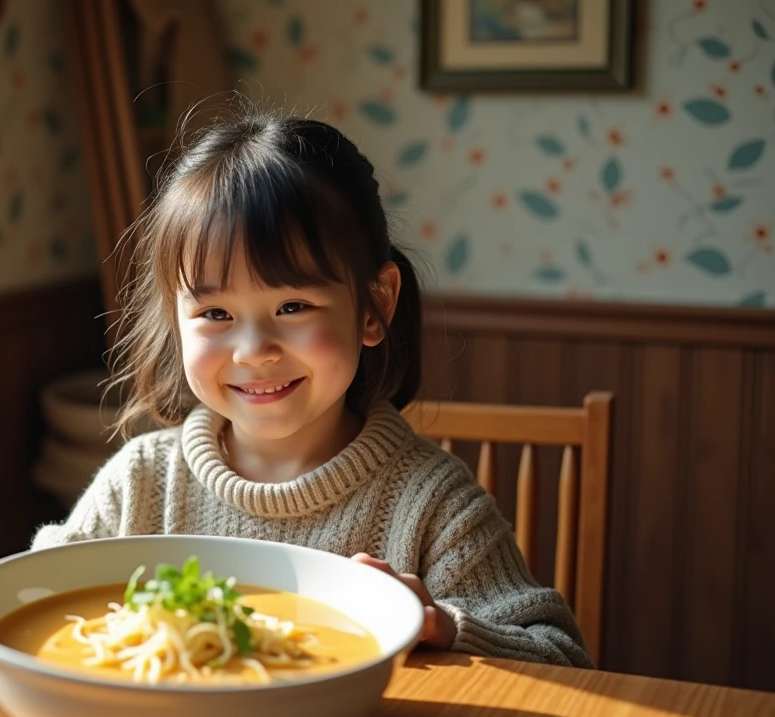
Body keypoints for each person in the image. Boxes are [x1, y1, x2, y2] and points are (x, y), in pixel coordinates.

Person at [32, 108, 592, 668]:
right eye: (215, 313)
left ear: (376, 306)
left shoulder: (430, 503)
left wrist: (445, 625)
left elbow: (564, 659)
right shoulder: (141, 483)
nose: (254, 350)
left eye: (293, 306)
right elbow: (38, 602)